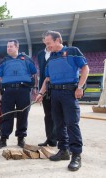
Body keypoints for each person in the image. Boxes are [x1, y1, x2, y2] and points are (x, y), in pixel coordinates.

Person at [36, 31, 89, 171]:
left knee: (72, 123)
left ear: (58, 40)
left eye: (49, 43)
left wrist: (80, 87)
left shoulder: (72, 51)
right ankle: (63, 150)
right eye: (45, 44)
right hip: (54, 93)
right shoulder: (51, 58)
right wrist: (41, 93)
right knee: (58, 123)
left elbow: (85, 68)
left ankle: (76, 155)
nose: (47, 46)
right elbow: (47, 79)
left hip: (69, 93)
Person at [0, 39, 38, 149]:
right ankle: (3, 139)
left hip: (24, 91)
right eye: (7, 46)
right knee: (7, 114)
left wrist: (35, 89)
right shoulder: (3, 61)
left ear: (17, 47)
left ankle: (21, 138)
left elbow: (34, 74)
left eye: (11, 46)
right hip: (8, 91)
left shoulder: (27, 60)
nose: (8, 48)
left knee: (23, 115)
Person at [36, 38, 57, 147]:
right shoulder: (40, 54)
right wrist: (40, 91)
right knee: (48, 115)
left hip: (57, 87)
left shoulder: (58, 52)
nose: (47, 43)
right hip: (44, 88)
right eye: (46, 40)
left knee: (58, 115)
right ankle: (50, 139)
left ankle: (61, 140)